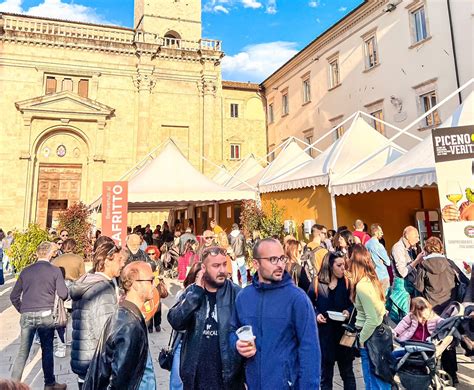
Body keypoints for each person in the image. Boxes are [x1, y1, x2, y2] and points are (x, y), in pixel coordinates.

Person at [231, 238, 321, 389]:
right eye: (273, 259)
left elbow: (310, 351)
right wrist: (236, 343)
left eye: (282, 258)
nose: (280, 264)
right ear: (255, 263)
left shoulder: (297, 298)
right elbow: (232, 331)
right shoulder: (243, 297)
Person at [168, 246, 244, 390]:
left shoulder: (237, 294)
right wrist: (196, 294)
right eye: (216, 266)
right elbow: (176, 321)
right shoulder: (192, 291)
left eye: (224, 264)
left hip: (228, 380)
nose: (222, 270)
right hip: (196, 379)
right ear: (203, 268)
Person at [83, 261, 157, 389]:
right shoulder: (129, 325)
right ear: (135, 285)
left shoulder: (125, 314)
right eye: (151, 280)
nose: (154, 284)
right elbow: (119, 382)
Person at [10, 241, 68, 390]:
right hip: (46, 314)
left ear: (36, 254)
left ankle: (13, 385)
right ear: (50, 254)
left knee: (23, 351)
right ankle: (49, 383)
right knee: (47, 349)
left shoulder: (25, 271)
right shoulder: (55, 271)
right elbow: (63, 294)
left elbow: (14, 296)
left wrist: (23, 309)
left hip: (27, 314)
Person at [70, 240, 126, 389]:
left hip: (83, 358)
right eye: (119, 260)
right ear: (108, 260)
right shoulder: (102, 289)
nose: (122, 264)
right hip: (96, 364)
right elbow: (107, 332)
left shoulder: (87, 282)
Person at [307, 251, 355, 390]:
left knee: (347, 373)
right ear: (330, 266)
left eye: (343, 265)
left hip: (344, 334)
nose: (342, 269)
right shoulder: (317, 282)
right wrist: (316, 315)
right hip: (325, 335)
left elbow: (354, 304)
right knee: (326, 375)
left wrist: (348, 311)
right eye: (339, 265)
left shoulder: (346, 282)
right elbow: (308, 303)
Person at [414, 236, 459, 383]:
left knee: (430, 343)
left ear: (426, 248)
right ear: (440, 248)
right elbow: (459, 284)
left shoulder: (423, 265)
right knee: (448, 342)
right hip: (449, 309)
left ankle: (431, 374)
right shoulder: (450, 263)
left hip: (431, 310)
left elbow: (419, 287)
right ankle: (452, 375)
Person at [348, 244, 393, 390]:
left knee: (372, 380)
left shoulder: (362, 286)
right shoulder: (371, 280)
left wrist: (361, 340)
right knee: (381, 377)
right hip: (379, 334)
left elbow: (372, 318)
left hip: (369, 337)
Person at [170, 262, 202, 390]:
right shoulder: (183, 295)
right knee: (177, 382)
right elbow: (177, 324)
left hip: (201, 345)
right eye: (198, 277)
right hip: (183, 343)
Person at [391, 226, 424, 295]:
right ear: (407, 236)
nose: (418, 240)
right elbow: (403, 272)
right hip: (403, 288)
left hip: (411, 286)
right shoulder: (398, 248)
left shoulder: (410, 248)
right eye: (416, 237)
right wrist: (417, 260)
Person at [365, 224, 391, 293]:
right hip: (382, 275)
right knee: (385, 299)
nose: (382, 233)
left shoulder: (366, 244)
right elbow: (388, 262)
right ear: (376, 232)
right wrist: (383, 260)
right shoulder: (379, 246)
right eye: (381, 231)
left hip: (372, 275)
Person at [145, 245, 163, 333]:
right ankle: (150, 325)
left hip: (157, 285)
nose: (151, 255)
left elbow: (162, 272)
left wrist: (160, 276)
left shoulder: (159, 262)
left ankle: (157, 324)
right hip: (148, 285)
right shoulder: (145, 263)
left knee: (158, 305)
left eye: (153, 253)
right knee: (148, 306)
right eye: (149, 254)